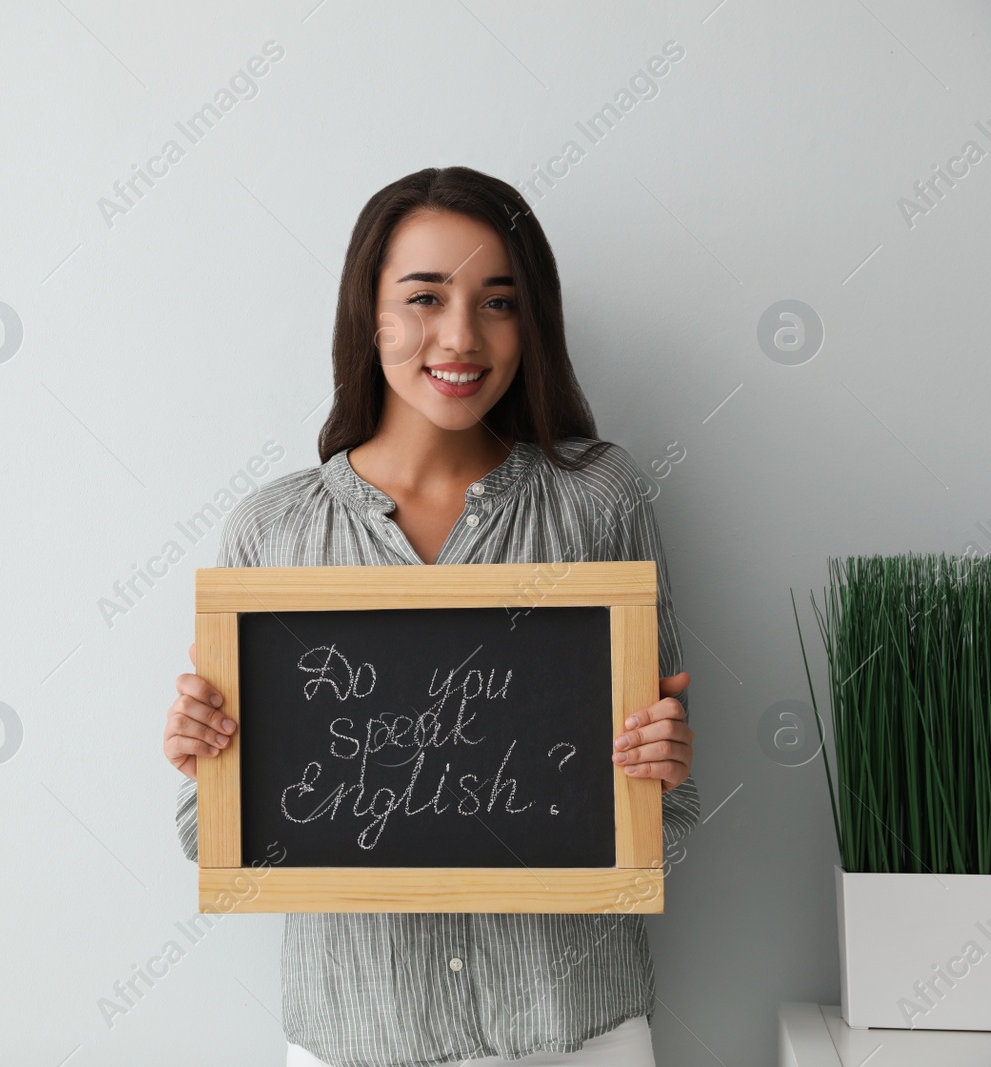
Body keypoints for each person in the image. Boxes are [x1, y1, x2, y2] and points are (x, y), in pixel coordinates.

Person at [161, 166, 698, 1067]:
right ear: (369, 316)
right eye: (424, 297)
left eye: (499, 301)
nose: (460, 335)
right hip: (359, 1037)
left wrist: (667, 761)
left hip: (574, 1029)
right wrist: (203, 750)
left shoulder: (598, 500)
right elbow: (206, 834)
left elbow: (663, 818)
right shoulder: (276, 529)